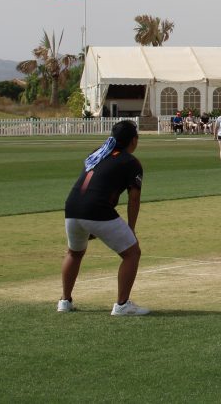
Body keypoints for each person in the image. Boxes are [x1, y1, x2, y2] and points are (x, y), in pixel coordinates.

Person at [58, 120, 149, 316]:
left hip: (72, 207)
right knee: (132, 253)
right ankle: (122, 305)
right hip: (97, 209)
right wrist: (131, 229)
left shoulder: (97, 152)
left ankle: (65, 301)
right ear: (133, 140)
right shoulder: (131, 162)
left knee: (74, 253)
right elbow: (134, 198)